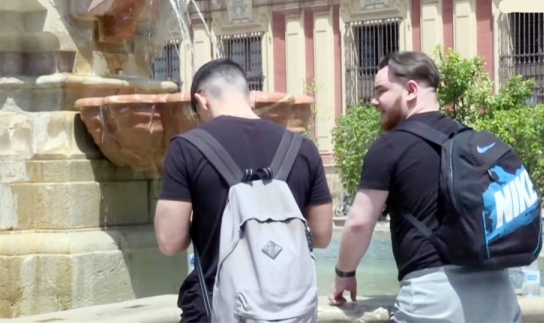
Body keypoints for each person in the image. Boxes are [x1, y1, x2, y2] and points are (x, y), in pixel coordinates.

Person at [328, 51, 522, 323]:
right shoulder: (470, 139)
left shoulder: (389, 146)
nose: (374, 101)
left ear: (410, 90)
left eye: (381, 91)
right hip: (499, 294)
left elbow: (359, 223)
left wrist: (344, 275)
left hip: (436, 299)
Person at [154, 58, 333, 322]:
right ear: (249, 97)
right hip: (290, 310)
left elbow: (170, 242)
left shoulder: (186, 148)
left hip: (217, 310)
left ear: (202, 100)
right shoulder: (302, 148)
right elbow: (321, 236)